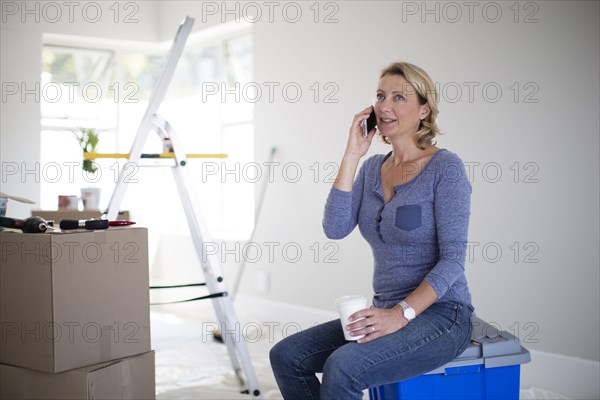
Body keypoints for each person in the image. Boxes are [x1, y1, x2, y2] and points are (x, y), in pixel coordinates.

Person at [269, 61, 474, 399]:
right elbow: (334, 229)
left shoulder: (446, 168)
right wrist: (352, 154)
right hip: (385, 307)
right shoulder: (371, 168)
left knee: (343, 367)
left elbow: (453, 260)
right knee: (288, 357)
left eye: (398, 97)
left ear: (424, 109)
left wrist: (400, 314)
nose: (385, 106)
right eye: (380, 96)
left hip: (443, 315)